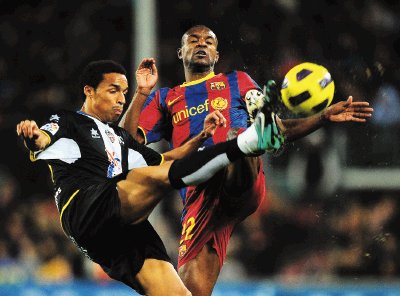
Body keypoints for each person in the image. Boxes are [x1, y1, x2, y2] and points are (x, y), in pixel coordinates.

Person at [122, 25, 374, 295]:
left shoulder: (238, 81)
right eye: (193, 41)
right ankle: (253, 138)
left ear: (216, 54)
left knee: (236, 140)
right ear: (180, 52)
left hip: (240, 177)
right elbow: (128, 140)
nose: (201, 44)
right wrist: (141, 92)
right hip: (200, 197)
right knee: (188, 291)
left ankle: (252, 139)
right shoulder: (166, 98)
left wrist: (321, 118)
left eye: (208, 41)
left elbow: (281, 129)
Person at [16, 59, 285, 295]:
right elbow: (42, 139)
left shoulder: (120, 138)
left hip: (119, 232)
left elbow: (166, 160)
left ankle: (249, 141)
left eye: (124, 91)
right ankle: (250, 141)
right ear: (89, 91)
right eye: (113, 90)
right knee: (153, 178)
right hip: (88, 208)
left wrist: (201, 137)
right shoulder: (69, 121)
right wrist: (32, 135)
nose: (121, 98)